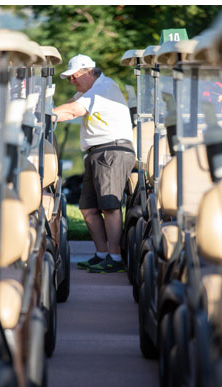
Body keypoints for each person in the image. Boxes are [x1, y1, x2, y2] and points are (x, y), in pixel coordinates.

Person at [53, 54, 136, 273]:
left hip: (111, 151)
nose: (72, 81)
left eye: (75, 77)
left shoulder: (103, 88)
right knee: (88, 208)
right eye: (69, 78)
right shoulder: (88, 90)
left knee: (109, 207)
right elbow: (70, 104)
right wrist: (46, 111)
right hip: (97, 152)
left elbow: (72, 111)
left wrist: (41, 115)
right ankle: (102, 254)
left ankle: (116, 258)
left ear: (89, 72)